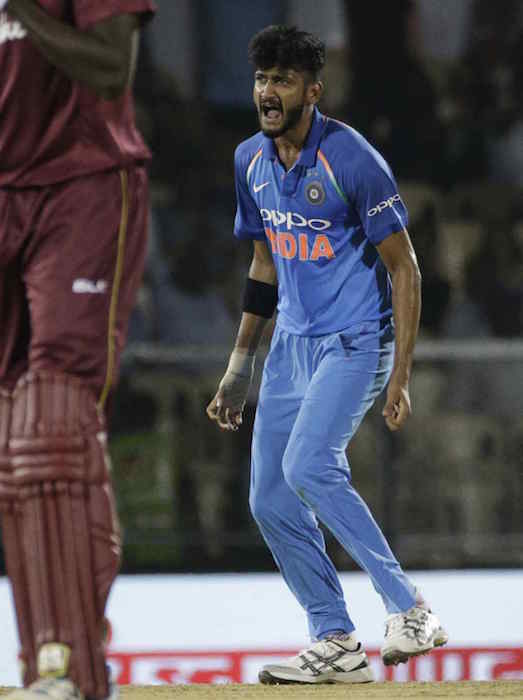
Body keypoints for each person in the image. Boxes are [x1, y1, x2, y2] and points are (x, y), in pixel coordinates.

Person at [207, 25, 447, 685]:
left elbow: (406, 269)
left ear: (312, 90)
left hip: (354, 341)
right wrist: (238, 367)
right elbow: (262, 262)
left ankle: (410, 608)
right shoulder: (248, 161)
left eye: (282, 80)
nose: (268, 92)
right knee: (268, 499)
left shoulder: (353, 158)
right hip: (289, 347)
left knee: (310, 464)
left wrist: (399, 372)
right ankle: (335, 640)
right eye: (261, 79)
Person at [0, 1, 155, 699]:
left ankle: (75, 670)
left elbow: (110, 63)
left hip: (83, 180)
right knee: (12, 443)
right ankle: (45, 665)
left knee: (53, 423)